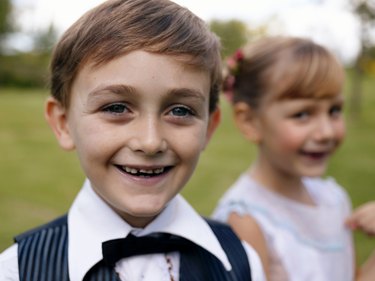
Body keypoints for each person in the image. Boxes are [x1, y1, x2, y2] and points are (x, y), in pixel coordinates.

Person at [0, 0, 266, 280]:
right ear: (64, 124)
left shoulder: (242, 262)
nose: (150, 142)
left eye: (180, 111)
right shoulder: (16, 271)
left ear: (208, 129)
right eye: (116, 108)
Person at [212, 36, 354, 281]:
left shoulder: (333, 198)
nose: (326, 132)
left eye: (334, 110)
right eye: (302, 114)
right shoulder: (246, 223)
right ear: (250, 121)